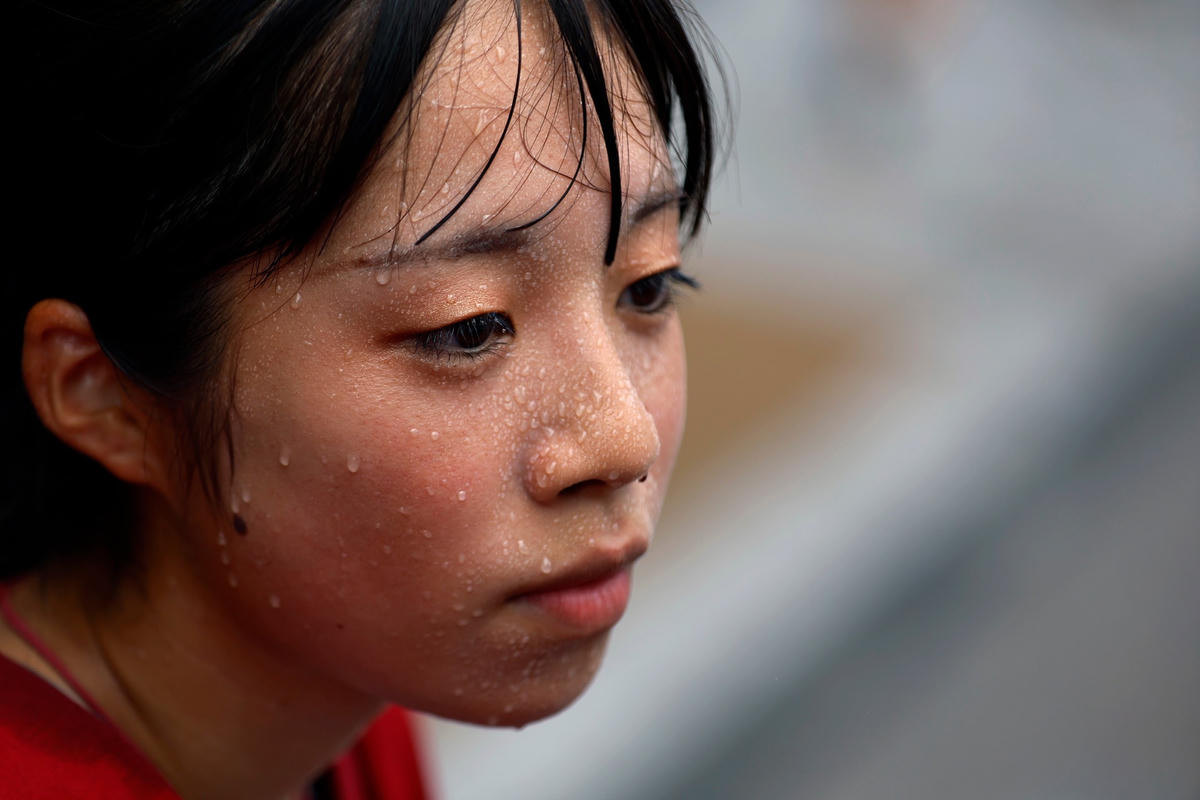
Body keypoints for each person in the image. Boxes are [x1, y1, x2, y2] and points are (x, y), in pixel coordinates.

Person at [2, 0, 718, 797]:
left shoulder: (344, 695)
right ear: (104, 394)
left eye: (649, 286)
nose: (623, 439)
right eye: (468, 329)